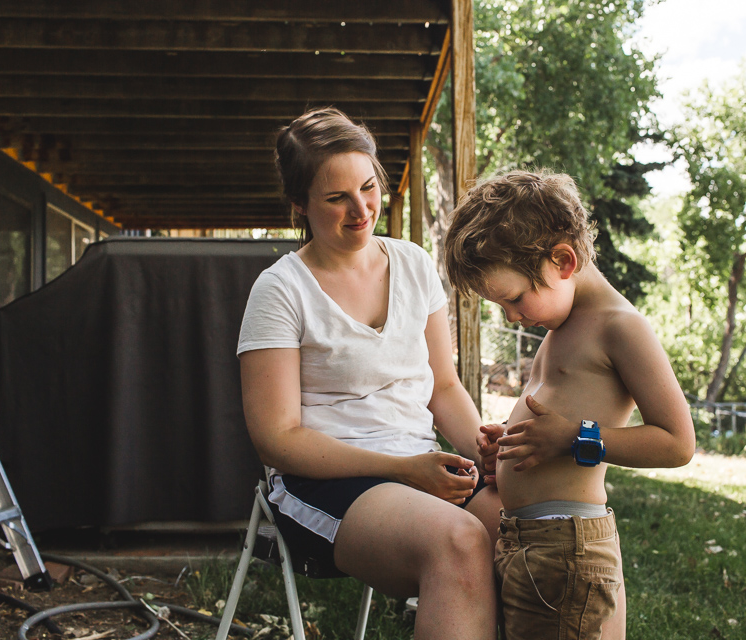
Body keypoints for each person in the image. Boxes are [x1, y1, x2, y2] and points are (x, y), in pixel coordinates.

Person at [237, 107, 502, 640]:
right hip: (322, 482)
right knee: (460, 541)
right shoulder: (280, 291)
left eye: (367, 187)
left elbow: (443, 386)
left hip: (418, 465)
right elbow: (276, 439)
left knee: (533, 529)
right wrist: (404, 470)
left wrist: (482, 451)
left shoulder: (414, 264)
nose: (361, 210)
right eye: (336, 198)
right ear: (300, 206)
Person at [444, 170, 695, 640]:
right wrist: (513, 443)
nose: (512, 316)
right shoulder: (561, 328)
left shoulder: (619, 326)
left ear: (563, 260)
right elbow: (555, 412)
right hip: (531, 541)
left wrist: (574, 438)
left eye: (514, 299)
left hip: (567, 548)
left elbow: (677, 443)